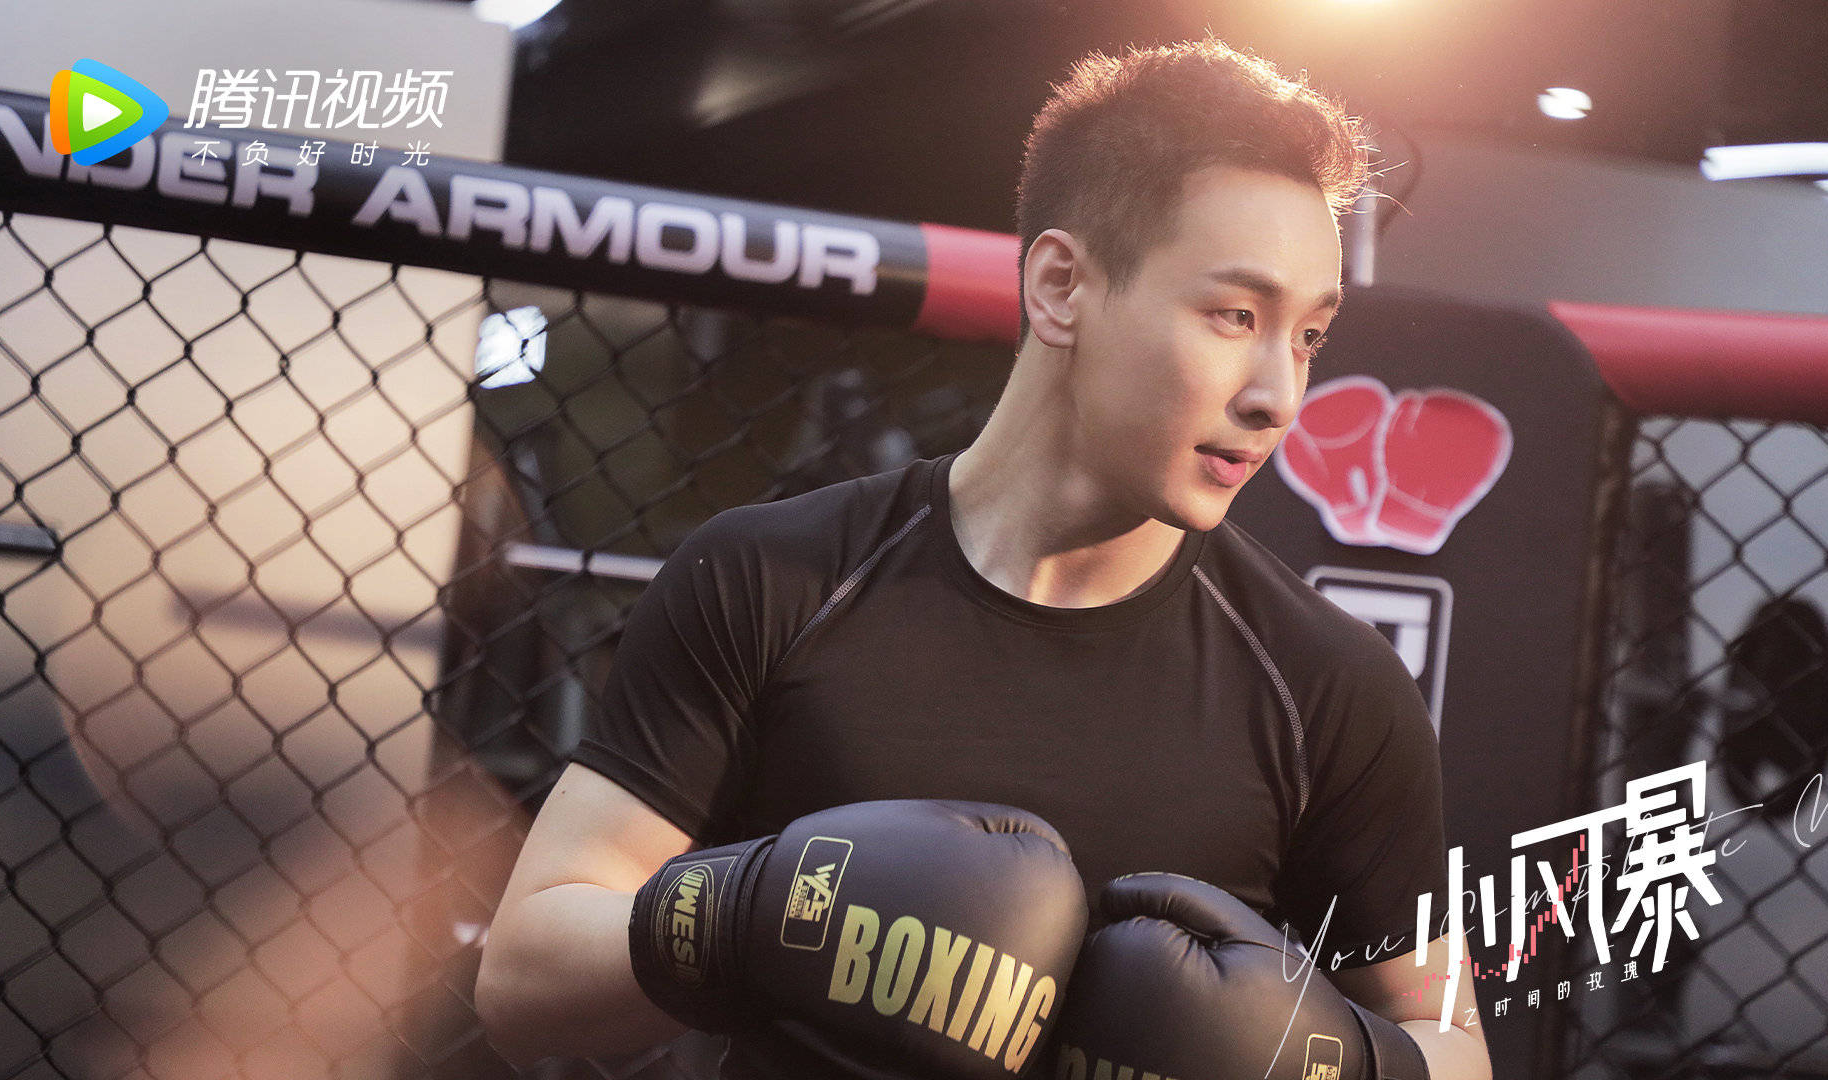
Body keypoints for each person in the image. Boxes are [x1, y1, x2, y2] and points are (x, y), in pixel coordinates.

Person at [476, 37, 1491, 1079]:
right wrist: (755, 916)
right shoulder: (773, 579)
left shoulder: (1327, 688)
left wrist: (1336, 1065)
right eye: (1236, 316)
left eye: (1308, 336)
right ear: (1060, 286)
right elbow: (522, 979)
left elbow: (1453, 1042)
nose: (1278, 394)